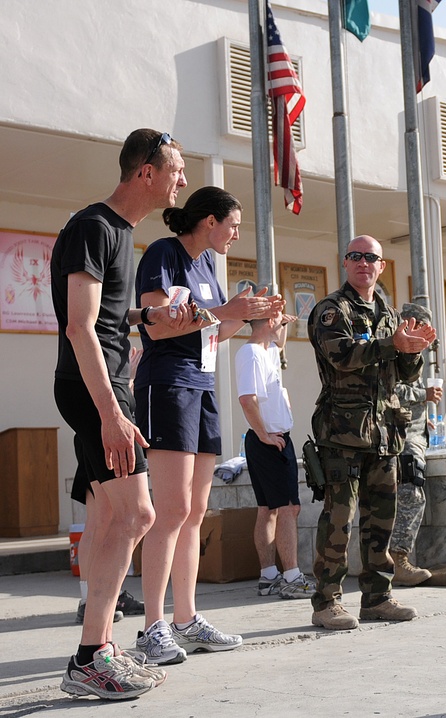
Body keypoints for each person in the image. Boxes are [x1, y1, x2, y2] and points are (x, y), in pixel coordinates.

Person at [52, 128, 191, 699]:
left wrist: (148, 320)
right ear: (146, 174)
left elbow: (106, 318)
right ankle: (90, 657)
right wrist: (111, 413)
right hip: (96, 389)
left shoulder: (118, 233)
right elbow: (78, 326)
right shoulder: (94, 226)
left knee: (111, 519)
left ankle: (98, 650)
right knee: (140, 515)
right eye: (176, 170)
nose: (182, 180)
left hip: (105, 383)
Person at [132, 186, 284, 665]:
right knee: (171, 510)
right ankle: (152, 627)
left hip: (202, 387)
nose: (236, 234)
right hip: (168, 386)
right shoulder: (164, 253)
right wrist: (227, 311)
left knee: (196, 513)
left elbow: (213, 329)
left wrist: (252, 315)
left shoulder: (208, 269)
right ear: (209, 220)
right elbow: (156, 325)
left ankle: (187, 620)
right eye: (232, 224)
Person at [307, 235, 436, 630]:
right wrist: (390, 344)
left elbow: (405, 374)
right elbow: (341, 355)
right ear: (346, 263)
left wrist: (412, 350)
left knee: (381, 520)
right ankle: (327, 602)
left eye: (371, 258)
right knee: (339, 519)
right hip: (343, 433)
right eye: (356, 256)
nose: (364, 263)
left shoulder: (390, 314)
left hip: (384, 431)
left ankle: (377, 598)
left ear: (382, 266)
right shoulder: (332, 310)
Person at [235, 310, 316, 599]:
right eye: (277, 318)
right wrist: (263, 435)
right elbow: (247, 399)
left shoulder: (267, 349)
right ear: (268, 322)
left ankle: (269, 576)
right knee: (288, 508)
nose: (282, 322)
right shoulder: (252, 354)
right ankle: (291, 576)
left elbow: (279, 343)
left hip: (270, 439)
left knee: (269, 509)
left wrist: (282, 320)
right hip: (269, 440)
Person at [72, 348, 146, 625]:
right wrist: (130, 378)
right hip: (101, 433)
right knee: (104, 518)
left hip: (100, 433)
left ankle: (95, 595)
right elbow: (108, 395)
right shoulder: (95, 347)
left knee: (105, 518)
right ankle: (91, 598)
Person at [388, 302, 444, 587]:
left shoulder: (413, 352)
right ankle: (400, 559)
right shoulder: (391, 347)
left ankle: (391, 557)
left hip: (414, 431)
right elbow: (388, 388)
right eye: (421, 330)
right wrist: (423, 394)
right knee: (412, 490)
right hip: (399, 436)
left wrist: (423, 420)